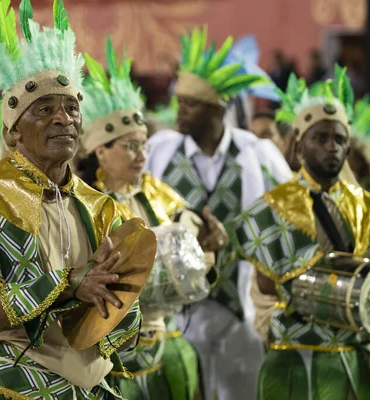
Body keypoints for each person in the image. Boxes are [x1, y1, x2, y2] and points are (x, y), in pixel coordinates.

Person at [0, 1, 142, 398]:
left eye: (71, 108)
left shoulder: (99, 205)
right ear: (13, 131)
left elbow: (113, 304)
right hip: (10, 386)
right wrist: (66, 285)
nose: (64, 119)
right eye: (44, 110)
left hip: (86, 386)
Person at [145, 27, 293, 400]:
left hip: (240, 308)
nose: (179, 112)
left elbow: (296, 214)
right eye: (179, 102)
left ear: (218, 110)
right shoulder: (160, 150)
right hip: (177, 316)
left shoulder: (257, 154)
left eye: (190, 105)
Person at [78, 37, 227, 400]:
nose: (141, 154)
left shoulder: (162, 196)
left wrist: (210, 251)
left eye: (143, 144)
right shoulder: (85, 205)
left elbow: (195, 267)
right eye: (130, 146)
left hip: (169, 339)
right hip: (111, 348)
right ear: (101, 151)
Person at [235, 66, 370, 400]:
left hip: (351, 355)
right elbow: (268, 285)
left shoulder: (364, 203)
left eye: (339, 140)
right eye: (320, 139)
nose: (332, 147)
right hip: (294, 353)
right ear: (298, 146)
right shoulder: (271, 208)